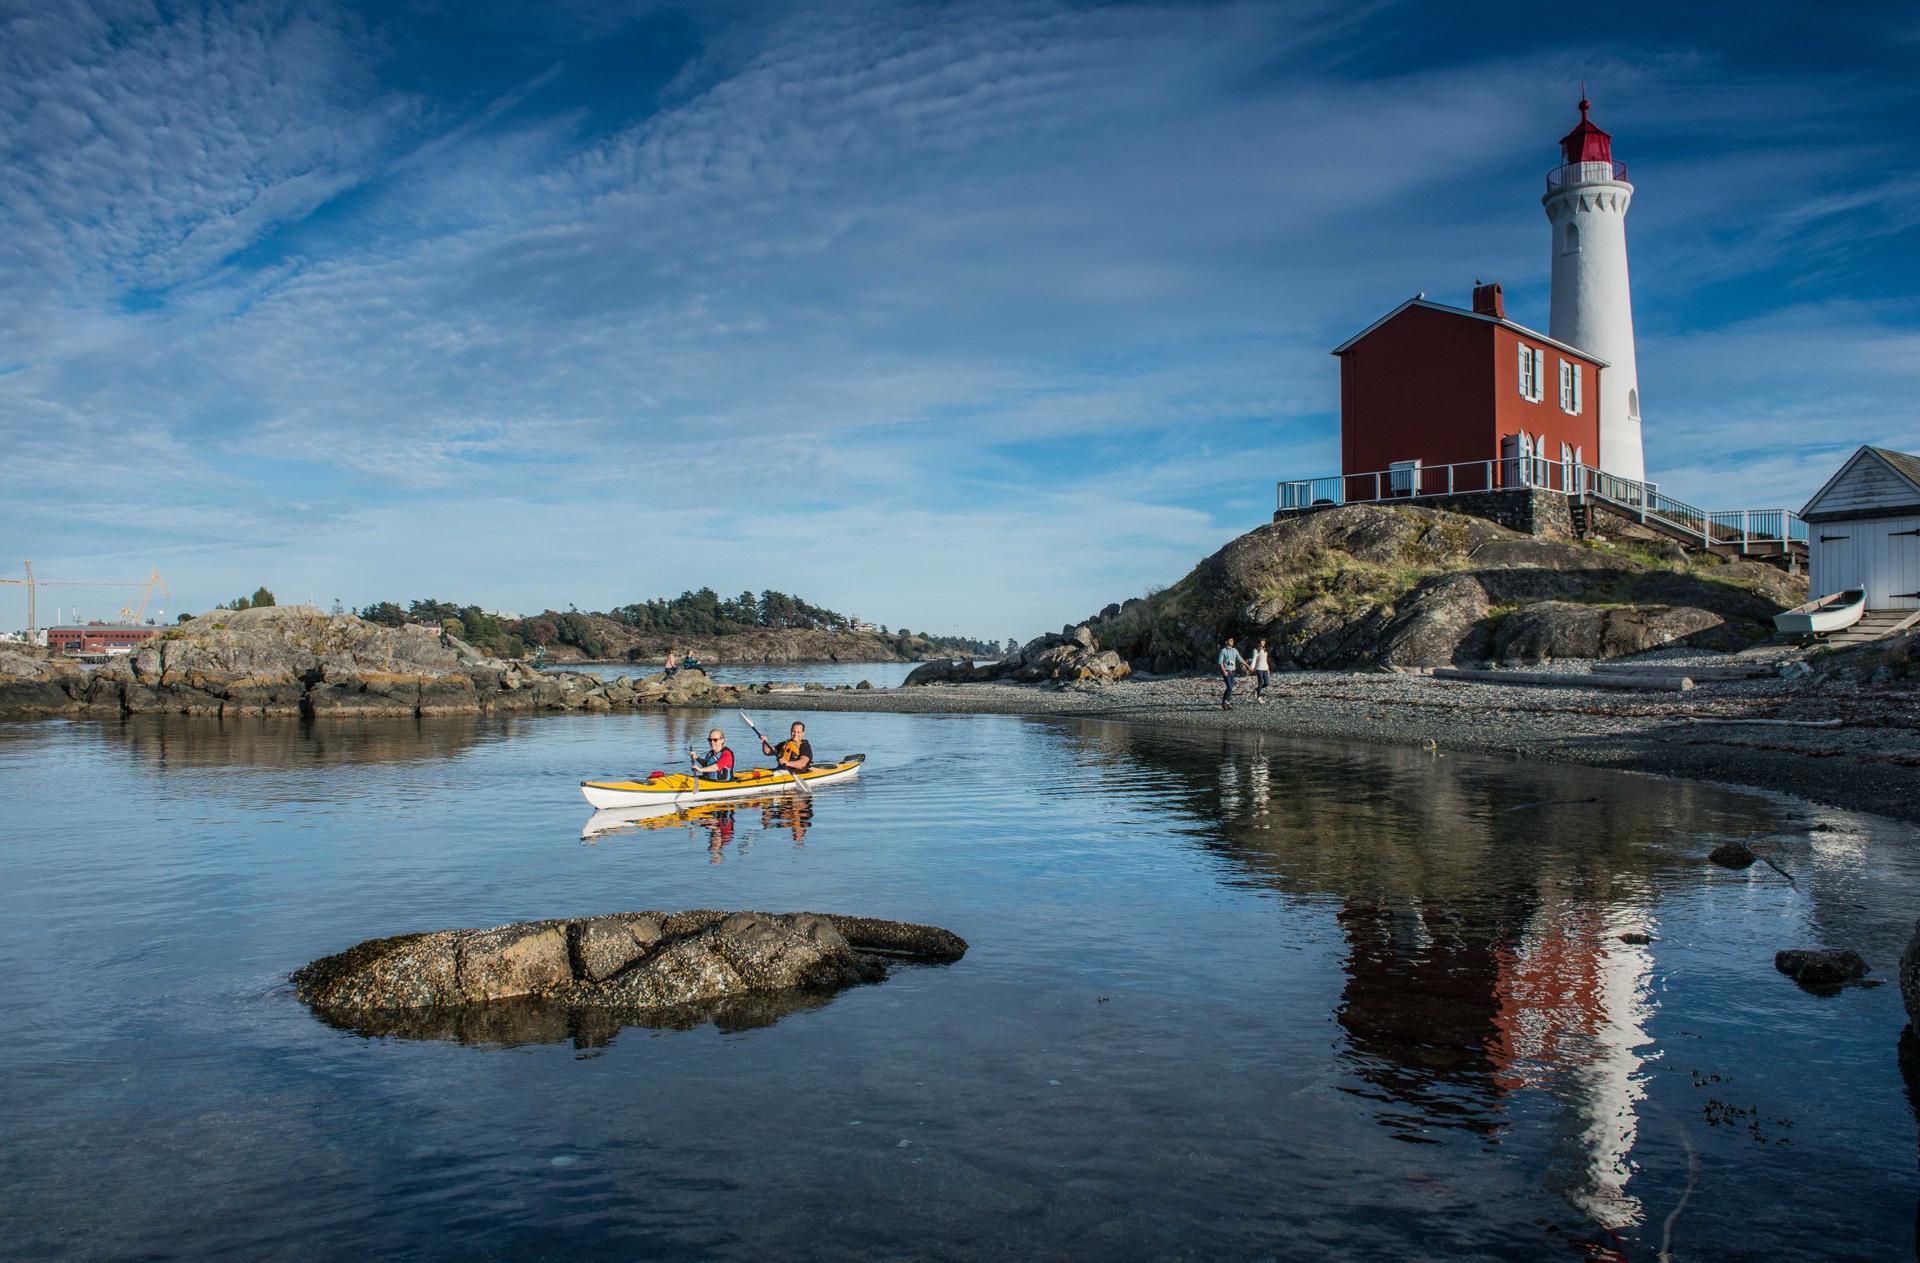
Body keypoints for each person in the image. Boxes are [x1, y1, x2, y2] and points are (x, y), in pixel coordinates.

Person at [1217, 635, 1245, 710]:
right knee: (1229, 687)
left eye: (1232, 641)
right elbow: (1220, 662)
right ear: (1226, 642)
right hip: (1226, 671)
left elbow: (1240, 658)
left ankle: (1226, 703)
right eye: (1230, 641)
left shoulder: (1235, 650)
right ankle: (1225, 702)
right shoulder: (1223, 650)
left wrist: (1247, 666)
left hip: (1233, 671)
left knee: (1230, 687)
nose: (1232, 642)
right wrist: (1224, 671)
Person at [1250, 637, 1271, 704]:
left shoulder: (1265, 650)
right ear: (1259, 642)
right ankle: (1259, 697)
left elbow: (1265, 660)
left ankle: (1256, 690)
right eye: (1262, 641)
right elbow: (1254, 659)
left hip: (1265, 668)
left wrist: (1268, 668)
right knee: (1261, 682)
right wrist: (1252, 667)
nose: (1263, 642)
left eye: (1264, 641)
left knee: (1267, 683)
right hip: (1259, 668)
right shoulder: (1256, 650)